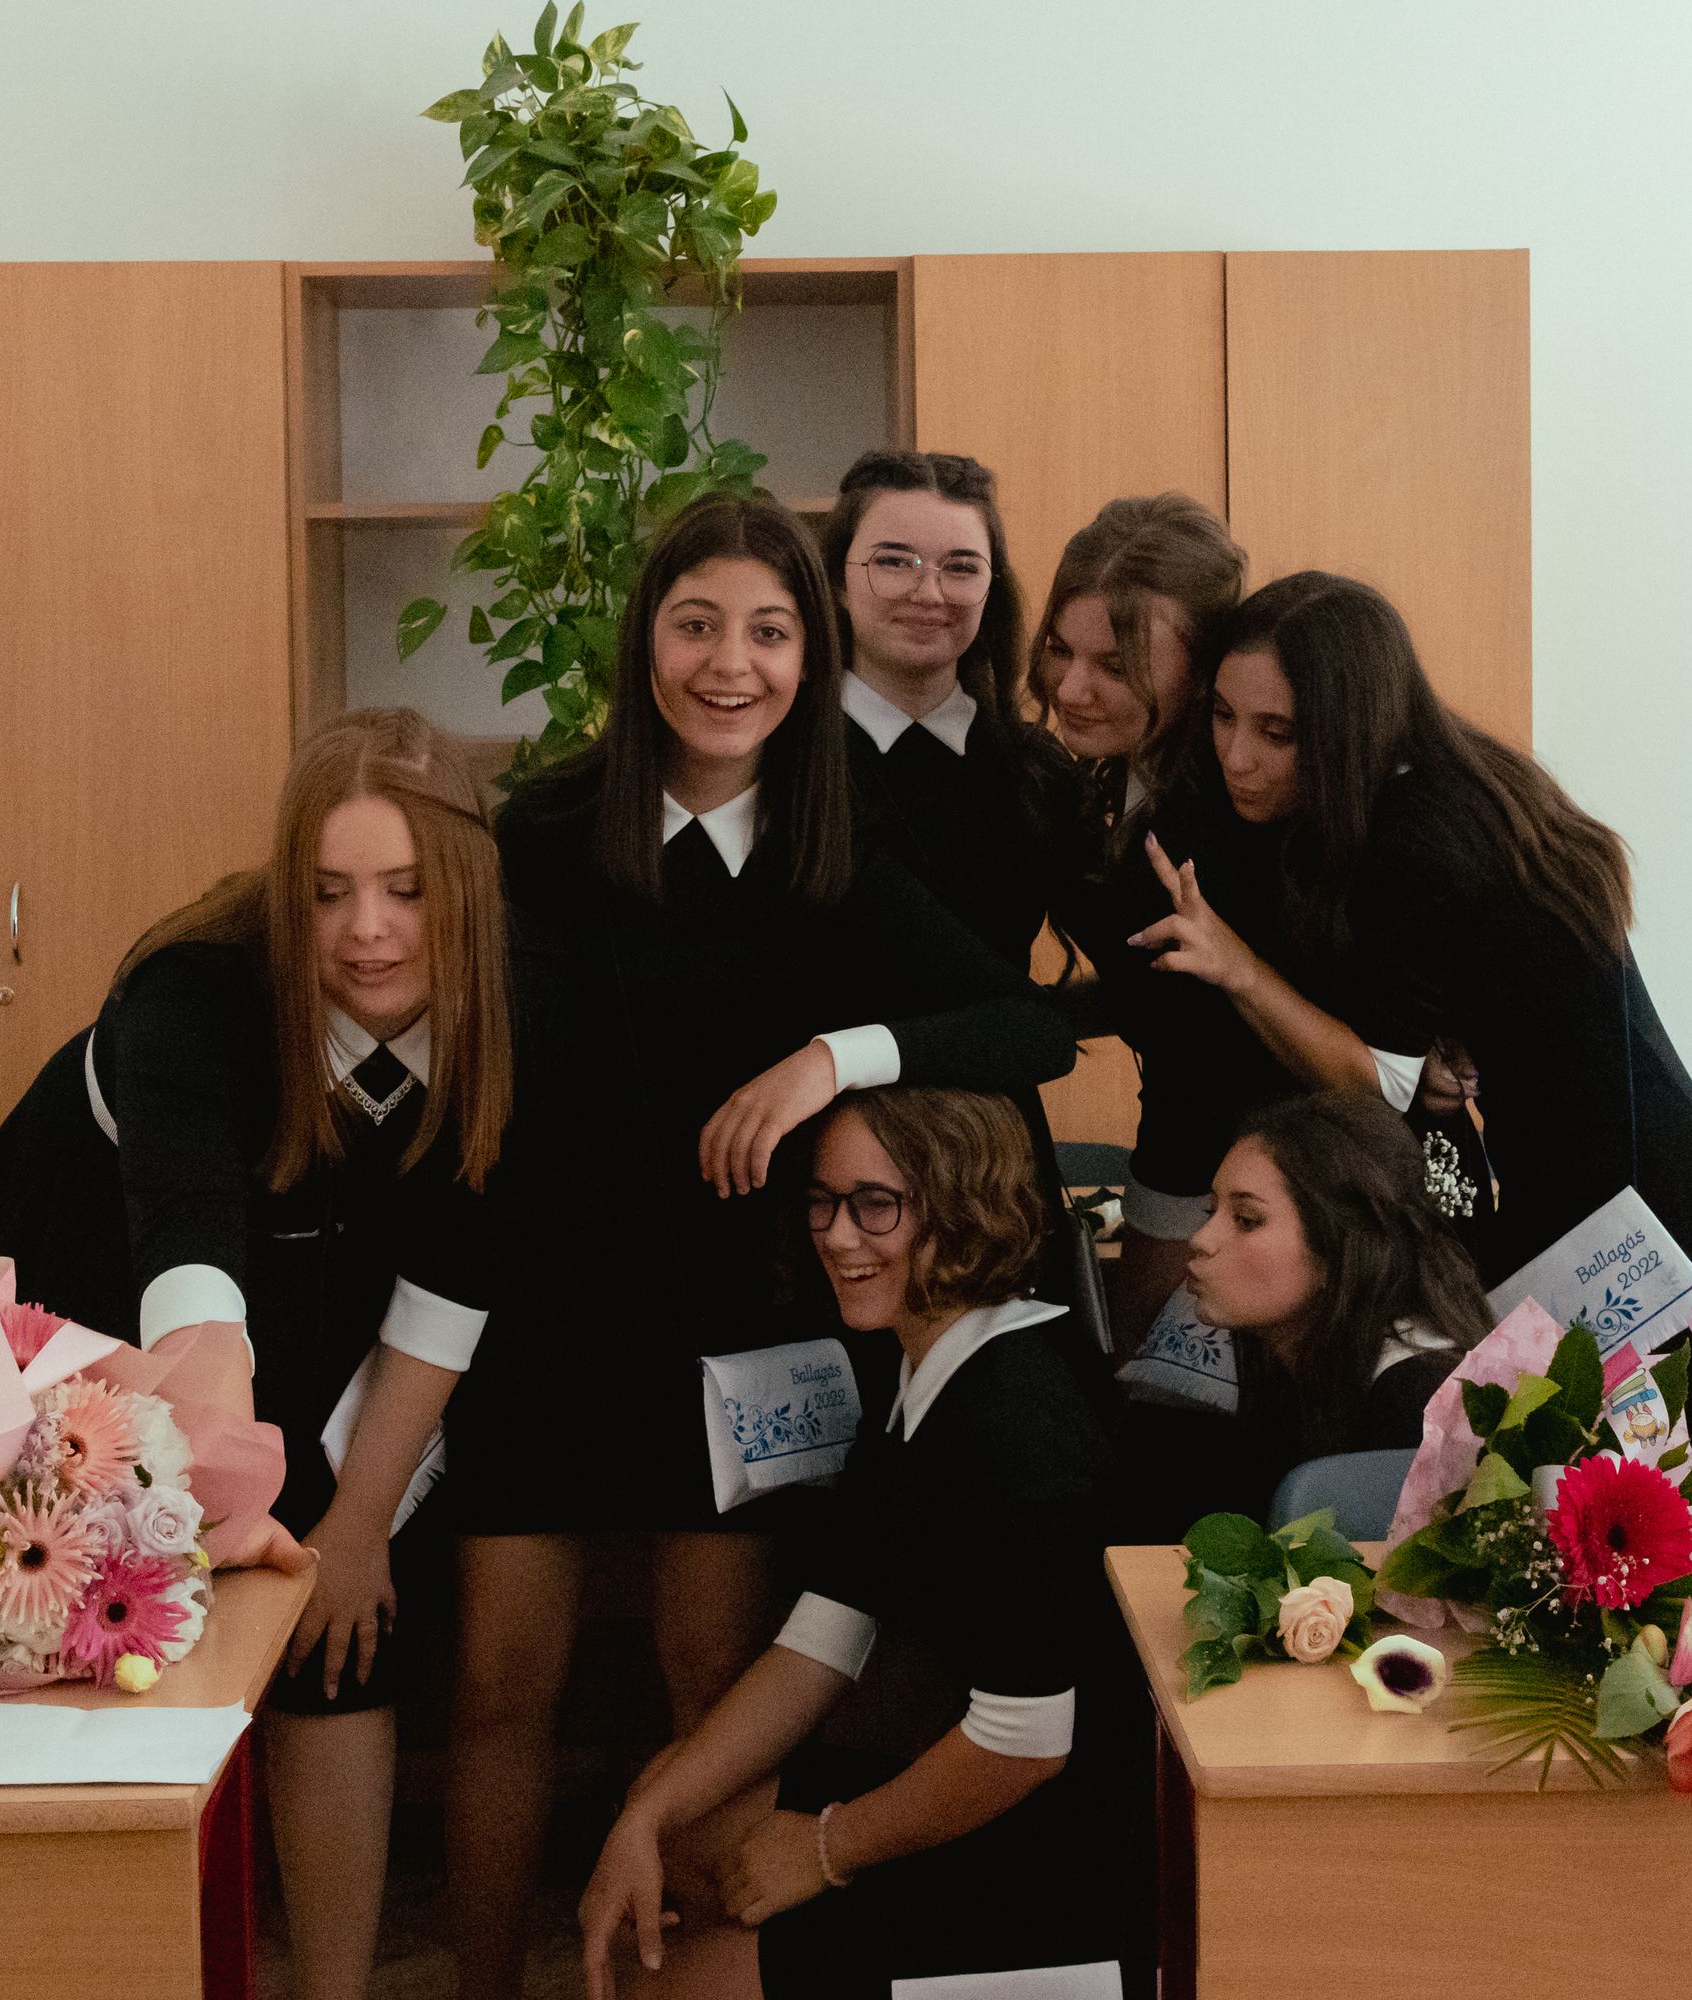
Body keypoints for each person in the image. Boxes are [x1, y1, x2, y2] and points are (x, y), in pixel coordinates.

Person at [448, 493, 1079, 2000]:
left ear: (810, 655)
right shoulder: (542, 829)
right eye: (698, 625)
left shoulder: (833, 844)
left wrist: (831, 1059)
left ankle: (688, 1976)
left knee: (715, 1690)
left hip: (749, 1328)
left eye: (772, 631)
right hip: (548, 1320)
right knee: (498, 1693)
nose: (732, 664)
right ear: (646, 642)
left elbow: (1031, 1028)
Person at [0, 707, 510, 2000]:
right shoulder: (192, 997)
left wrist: (354, 1524)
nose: (368, 930)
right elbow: (191, 1265)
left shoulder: (511, 994)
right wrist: (217, 1496)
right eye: (327, 893)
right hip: (83, 1300)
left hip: (312, 1280)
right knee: (108, 1623)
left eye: (407, 890)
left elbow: (453, 1279)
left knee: (337, 1616)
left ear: (467, 890)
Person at [1134, 571, 1692, 1447]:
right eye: (1221, 716)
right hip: (1588, 1201)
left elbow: (1378, 1083)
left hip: (1642, 1224)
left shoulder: (1419, 834)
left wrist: (1237, 967)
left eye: (1277, 732)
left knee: (1679, 1498)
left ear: (1348, 726)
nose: (1236, 756)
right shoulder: (1440, 785)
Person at [577, 1087, 1121, 1999]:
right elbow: (819, 1644)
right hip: (990, 1795)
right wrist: (644, 1812)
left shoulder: (1020, 1425)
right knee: (675, 1826)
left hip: (1061, 1863)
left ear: (963, 1206)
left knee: (662, 1986)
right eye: (824, 1202)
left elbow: (1027, 1742)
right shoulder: (930, 1372)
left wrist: (826, 1848)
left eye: (876, 1205)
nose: (836, 1236)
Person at [1021, 495, 1258, 1344]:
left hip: (1254, 1178)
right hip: (1182, 1151)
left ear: (1205, 669)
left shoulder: (1234, 812)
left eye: (1116, 666)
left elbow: (1207, 1054)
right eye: (1060, 650)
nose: (1071, 688)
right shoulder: (1108, 780)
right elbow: (1153, 984)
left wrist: (1164, 1225)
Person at [1116, 1090, 1486, 1538]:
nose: (1200, 1239)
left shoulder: (1416, 1401)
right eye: (1212, 1211)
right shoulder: (1282, 1354)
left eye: (1246, 1219)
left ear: (1337, 1248)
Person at [818, 449, 1079, 972]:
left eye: (961, 568)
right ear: (839, 581)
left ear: (991, 589)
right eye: (894, 561)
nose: (929, 593)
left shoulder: (1036, 768)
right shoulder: (782, 757)